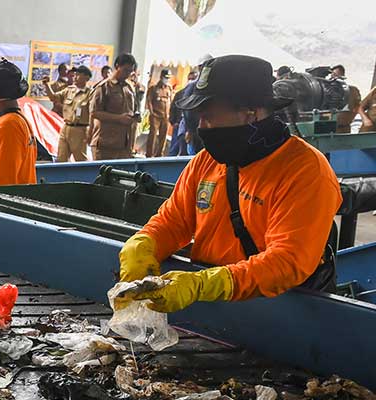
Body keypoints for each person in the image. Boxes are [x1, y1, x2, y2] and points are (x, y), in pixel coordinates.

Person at [117, 55, 341, 315]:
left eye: (209, 117)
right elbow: (174, 220)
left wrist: (207, 283)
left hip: (282, 315)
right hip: (215, 309)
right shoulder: (207, 162)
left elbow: (288, 261)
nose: (202, 127)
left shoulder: (305, 171)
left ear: (251, 114)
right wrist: (145, 243)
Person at [89, 53, 137, 160]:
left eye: (130, 71)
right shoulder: (104, 87)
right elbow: (95, 113)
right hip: (105, 144)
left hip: (124, 145)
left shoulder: (129, 88)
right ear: (117, 66)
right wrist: (119, 118)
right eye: (125, 70)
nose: (127, 74)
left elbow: (132, 109)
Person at [44, 65, 93, 162]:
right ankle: (60, 177)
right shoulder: (69, 90)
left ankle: (84, 177)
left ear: (86, 78)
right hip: (66, 127)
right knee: (61, 158)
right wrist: (46, 85)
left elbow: (94, 114)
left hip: (80, 129)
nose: (75, 76)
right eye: (75, 74)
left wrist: (90, 132)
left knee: (80, 159)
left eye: (78, 75)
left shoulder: (90, 93)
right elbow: (53, 97)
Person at [179, 54, 213, 154]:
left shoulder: (212, 86)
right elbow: (186, 110)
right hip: (193, 131)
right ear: (199, 67)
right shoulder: (192, 86)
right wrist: (189, 130)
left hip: (206, 130)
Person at [146, 68, 174, 157]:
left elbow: (171, 100)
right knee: (153, 135)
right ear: (161, 77)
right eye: (166, 77)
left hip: (166, 116)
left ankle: (159, 154)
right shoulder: (154, 88)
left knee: (163, 136)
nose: (167, 80)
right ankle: (149, 155)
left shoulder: (169, 88)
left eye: (169, 78)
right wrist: (151, 112)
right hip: (156, 115)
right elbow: (149, 101)